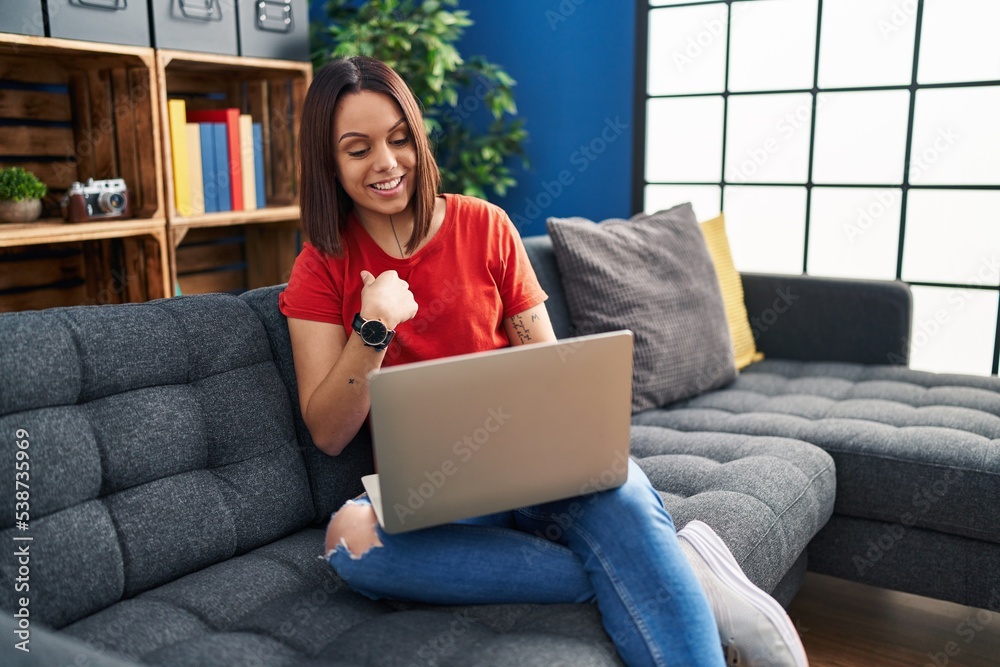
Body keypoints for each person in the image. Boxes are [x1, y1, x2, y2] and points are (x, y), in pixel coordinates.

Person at [278, 55, 808, 667]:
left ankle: (649, 561)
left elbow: (552, 378)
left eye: (400, 139)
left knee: (626, 498)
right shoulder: (321, 265)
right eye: (357, 148)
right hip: (435, 498)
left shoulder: (485, 226)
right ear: (329, 162)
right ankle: (674, 566)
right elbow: (328, 431)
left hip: (540, 470)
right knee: (350, 542)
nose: (387, 162)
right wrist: (373, 329)